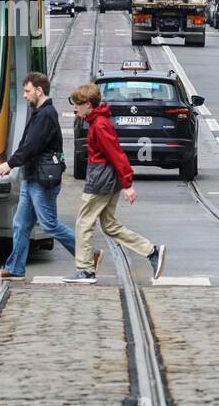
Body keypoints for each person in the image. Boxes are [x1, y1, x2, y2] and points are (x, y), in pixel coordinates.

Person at [66, 83, 165, 284]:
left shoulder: (100, 125)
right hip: (106, 177)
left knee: (84, 223)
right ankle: (151, 251)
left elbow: (116, 153)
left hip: (100, 179)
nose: (74, 108)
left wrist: (127, 183)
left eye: (77, 104)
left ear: (87, 104)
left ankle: (85, 270)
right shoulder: (98, 121)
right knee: (109, 225)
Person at [0, 72, 87, 280]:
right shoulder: (41, 113)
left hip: (42, 181)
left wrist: (10, 164)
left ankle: (87, 256)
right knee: (21, 224)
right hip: (32, 177)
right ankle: (15, 267)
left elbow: (31, 146)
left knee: (49, 224)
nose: (25, 96)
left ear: (39, 90)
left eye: (27, 91)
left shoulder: (45, 114)